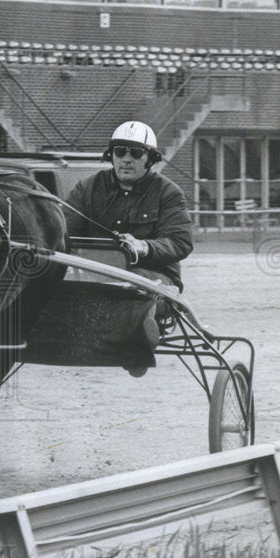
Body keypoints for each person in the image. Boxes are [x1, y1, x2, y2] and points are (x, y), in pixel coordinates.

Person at [64, 120, 194, 376]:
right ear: (111, 156)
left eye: (136, 153)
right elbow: (64, 231)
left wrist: (143, 246)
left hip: (154, 280)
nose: (126, 159)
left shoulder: (168, 193)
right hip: (95, 276)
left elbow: (180, 242)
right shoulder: (87, 188)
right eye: (119, 152)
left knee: (133, 290)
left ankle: (140, 342)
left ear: (150, 159)